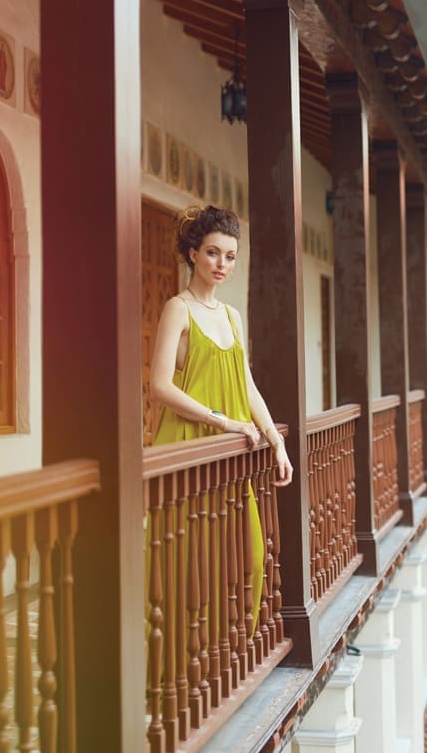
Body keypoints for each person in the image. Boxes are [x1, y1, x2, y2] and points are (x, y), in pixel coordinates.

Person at [149, 204, 293, 636]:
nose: (222, 264)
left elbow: (245, 384)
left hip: (229, 454)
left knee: (247, 558)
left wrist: (275, 439)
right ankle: (178, 667)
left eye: (230, 256)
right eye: (213, 253)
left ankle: (224, 651)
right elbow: (160, 386)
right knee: (184, 566)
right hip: (187, 446)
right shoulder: (179, 309)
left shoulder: (232, 316)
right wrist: (224, 423)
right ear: (193, 253)